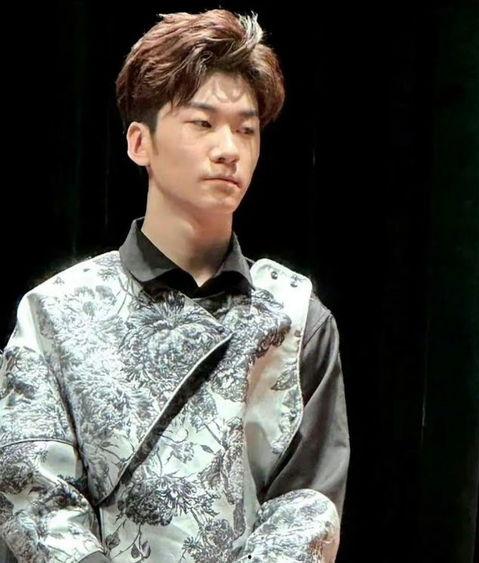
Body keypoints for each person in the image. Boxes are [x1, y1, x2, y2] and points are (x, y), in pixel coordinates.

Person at [0, 9, 349, 562]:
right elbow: (33, 497)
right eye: (202, 123)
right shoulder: (56, 312)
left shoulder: (295, 316)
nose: (229, 148)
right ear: (140, 143)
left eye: (246, 129)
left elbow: (307, 505)